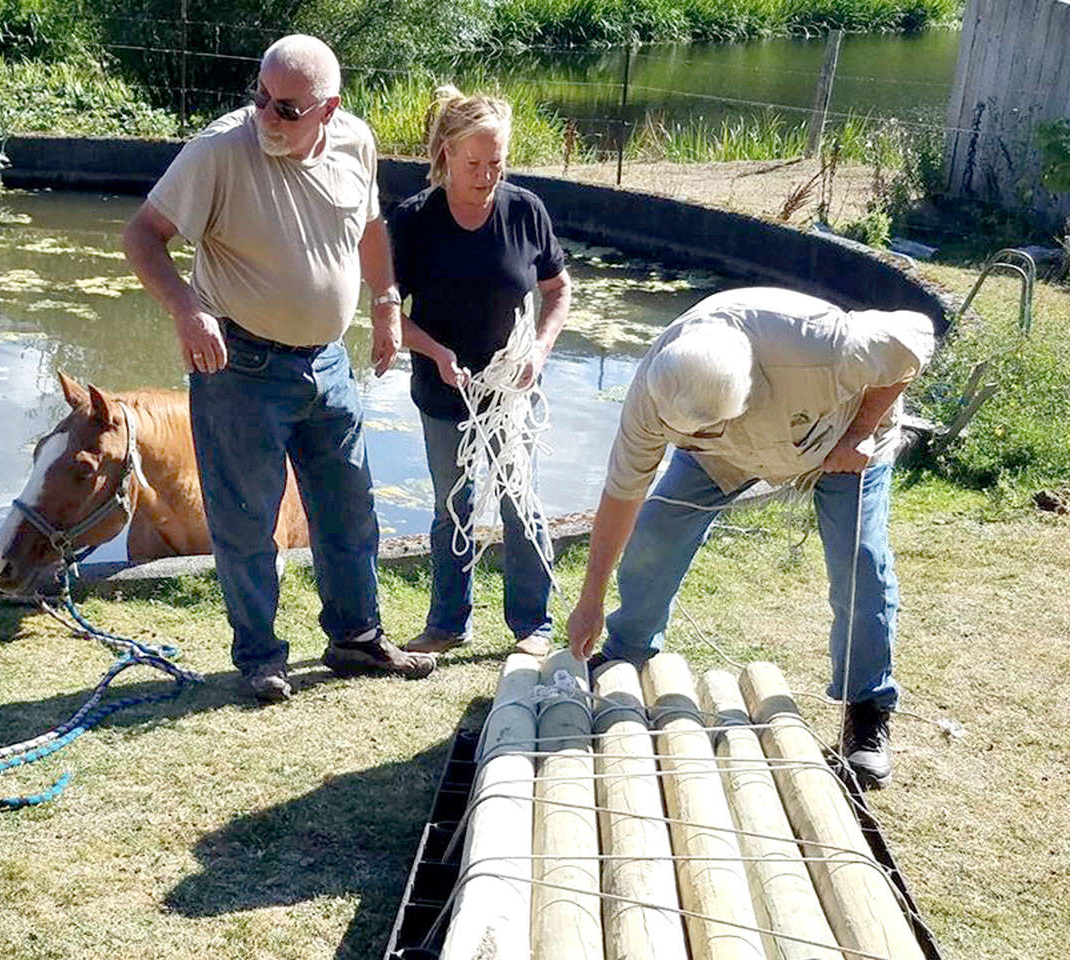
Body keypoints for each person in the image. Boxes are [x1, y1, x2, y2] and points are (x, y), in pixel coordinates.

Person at [123, 34, 434, 703]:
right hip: (239, 365)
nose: (267, 116)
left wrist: (385, 304)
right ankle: (260, 659)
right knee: (245, 522)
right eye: (261, 97)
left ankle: (356, 641)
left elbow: (371, 227)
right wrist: (184, 308)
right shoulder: (217, 150)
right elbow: (142, 235)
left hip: (329, 365)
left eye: (288, 108)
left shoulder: (356, 140)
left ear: (329, 108)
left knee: (349, 509)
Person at [566, 287, 936, 788]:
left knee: (860, 566)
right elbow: (622, 493)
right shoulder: (658, 388)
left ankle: (868, 709)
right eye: (681, 438)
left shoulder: (823, 347)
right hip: (733, 453)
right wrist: (590, 598)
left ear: (741, 397)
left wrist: (861, 432)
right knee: (656, 534)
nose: (687, 445)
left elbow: (915, 338)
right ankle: (626, 650)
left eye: (701, 435)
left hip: (841, 442)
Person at [389, 87, 573, 658]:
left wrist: (539, 349)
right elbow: (389, 312)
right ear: (445, 154)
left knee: (523, 504)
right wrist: (436, 353)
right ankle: (448, 623)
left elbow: (558, 288)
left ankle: (533, 626)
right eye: (474, 164)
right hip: (445, 394)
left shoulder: (526, 211)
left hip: (511, 394)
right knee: (453, 504)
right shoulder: (414, 221)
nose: (487, 175)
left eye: (497, 163)